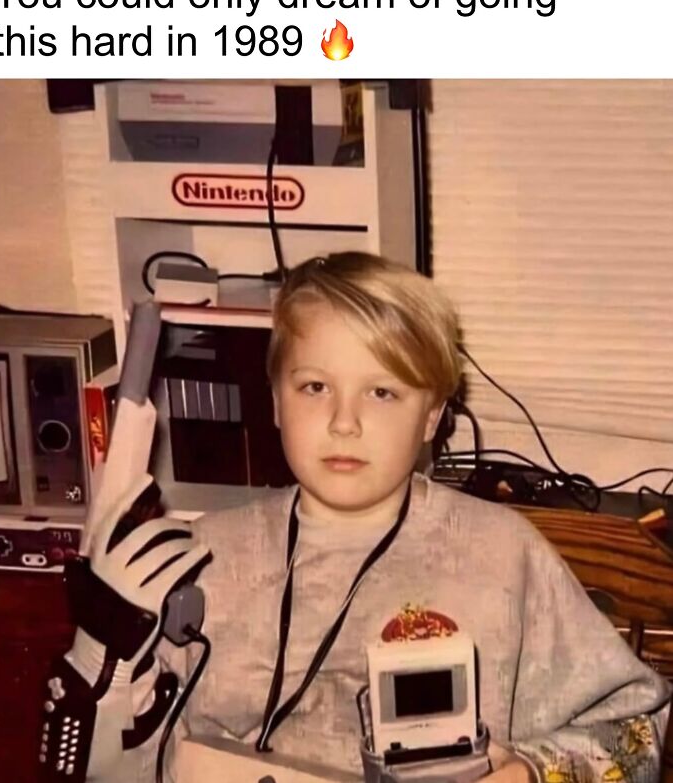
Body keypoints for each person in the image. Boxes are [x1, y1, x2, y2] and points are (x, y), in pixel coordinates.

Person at [60, 252, 669, 783]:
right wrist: (103, 660)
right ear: (275, 400)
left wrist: (532, 773)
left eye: (382, 393)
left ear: (432, 417)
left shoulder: (501, 556)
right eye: (315, 387)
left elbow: (634, 733)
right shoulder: (200, 559)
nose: (343, 422)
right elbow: (111, 769)